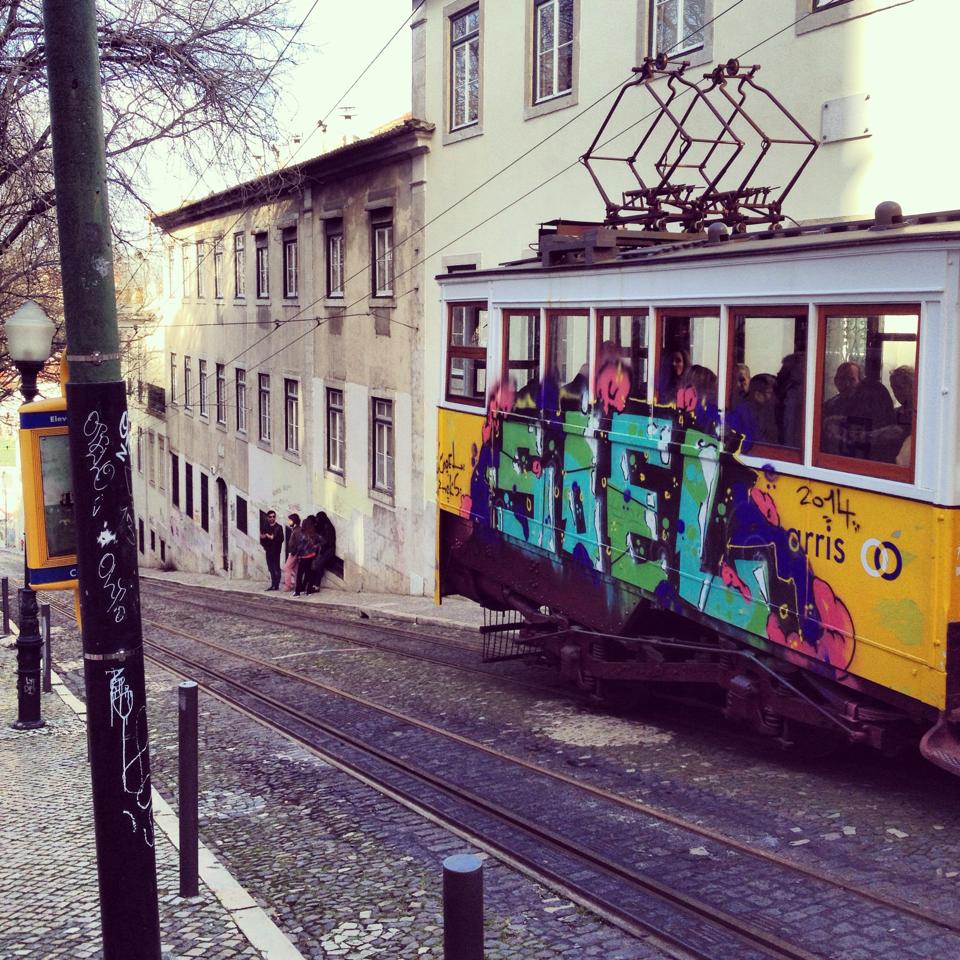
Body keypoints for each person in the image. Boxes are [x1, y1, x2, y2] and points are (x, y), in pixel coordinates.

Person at [311, 511, 337, 591]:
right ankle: (314, 585)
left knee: (319, 565)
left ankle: (316, 586)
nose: (317, 520)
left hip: (329, 550)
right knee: (317, 565)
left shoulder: (327, 527)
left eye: (318, 518)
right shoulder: (324, 526)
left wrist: (318, 545)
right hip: (325, 550)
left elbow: (327, 541)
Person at [294, 515, 319, 597]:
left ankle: (297, 592)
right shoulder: (313, 533)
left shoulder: (303, 534)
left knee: (300, 575)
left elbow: (300, 547)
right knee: (309, 574)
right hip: (311, 556)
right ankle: (309, 591)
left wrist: (298, 554)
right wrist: (315, 547)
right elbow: (322, 541)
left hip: (304, 557)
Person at [259, 509, 284, 590]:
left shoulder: (279, 527)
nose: (272, 518)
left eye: (274, 516)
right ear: (267, 518)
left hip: (276, 551)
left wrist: (272, 537)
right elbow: (262, 538)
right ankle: (273, 584)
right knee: (270, 568)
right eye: (270, 517)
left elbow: (281, 539)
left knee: (276, 567)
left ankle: (276, 585)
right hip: (268, 550)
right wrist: (265, 539)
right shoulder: (265, 527)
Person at [282, 513, 302, 592]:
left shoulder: (297, 530)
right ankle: (298, 585)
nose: (288, 522)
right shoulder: (296, 529)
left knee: (287, 568)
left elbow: (298, 542)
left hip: (294, 553)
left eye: (290, 520)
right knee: (296, 569)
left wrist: (293, 552)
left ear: (294, 521)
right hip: (296, 553)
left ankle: (288, 586)